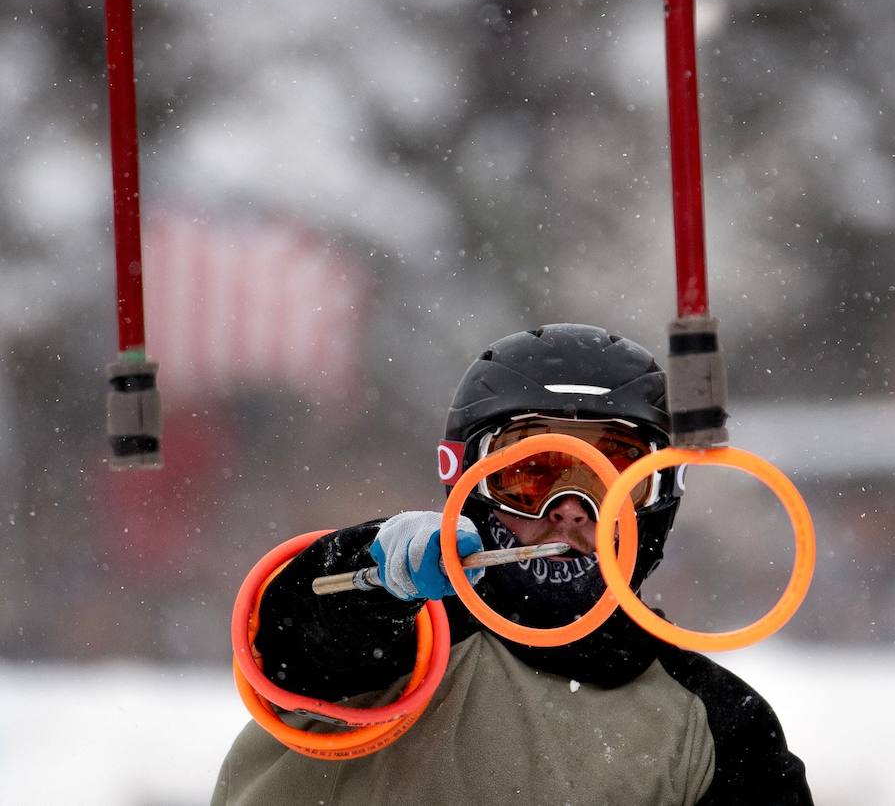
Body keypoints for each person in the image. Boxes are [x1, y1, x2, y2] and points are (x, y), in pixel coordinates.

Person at [213, 323, 812, 805]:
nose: (571, 513)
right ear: (465, 480)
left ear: (661, 498)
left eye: (611, 479)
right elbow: (296, 635)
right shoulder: (398, 639)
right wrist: (370, 575)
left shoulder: (715, 726)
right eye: (532, 475)